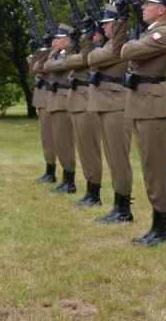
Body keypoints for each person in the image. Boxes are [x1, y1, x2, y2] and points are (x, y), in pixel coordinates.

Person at [119, 0, 166, 247]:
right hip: (145, 104)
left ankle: (162, 227)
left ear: (162, 9)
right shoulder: (150, 33)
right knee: (148, 166)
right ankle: (157, 223)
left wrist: (132, 42)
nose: (143, 7)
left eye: (148, 4)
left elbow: (126, 51)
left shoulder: (162, 33)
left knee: (156, 168)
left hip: (154, 105)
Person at [88, 2, 134, 224]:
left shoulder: (119, 43)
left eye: (108, 24)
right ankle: (118, 205)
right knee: (113, 158)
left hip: (117, 105)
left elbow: (92, 59)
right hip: (108, 104)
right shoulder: (111, 44)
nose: (104, 28)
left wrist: (97, 49)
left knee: (119, 159)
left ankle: (123, 208)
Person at [62, 20, 100, 206]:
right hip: (77, 101)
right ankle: (90, 191)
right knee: (84, 150)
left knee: (89, 150)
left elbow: (82, 59)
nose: (83, 37)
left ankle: (94, 193)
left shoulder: (92, 51)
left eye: (86, 34)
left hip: (85, 101)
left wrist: (82, 43)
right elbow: (67, 61)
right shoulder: (85, 50)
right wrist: (73, 45)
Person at [41, 24, 78, 194]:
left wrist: (52, 60)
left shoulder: (69, 55)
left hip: (63, 101)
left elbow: (51, 66)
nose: (55, 41)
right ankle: (65, 178)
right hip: (55, 100)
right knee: (58, 142)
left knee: (65, 143)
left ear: (68, 40)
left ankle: (69, 180)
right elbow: (42, 66)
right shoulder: (58, 54)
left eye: (59, 38)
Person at [28, 42, 56, 183]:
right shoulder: (48, 55)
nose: (55, 41)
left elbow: (42, 67)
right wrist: (34, 52)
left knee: (50, 138)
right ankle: (49, 169)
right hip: (42, 99)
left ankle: (52, 172)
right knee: (46, 138)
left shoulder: (56, 55)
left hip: (49, 99)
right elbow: (33, 68)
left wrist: (43, 51)